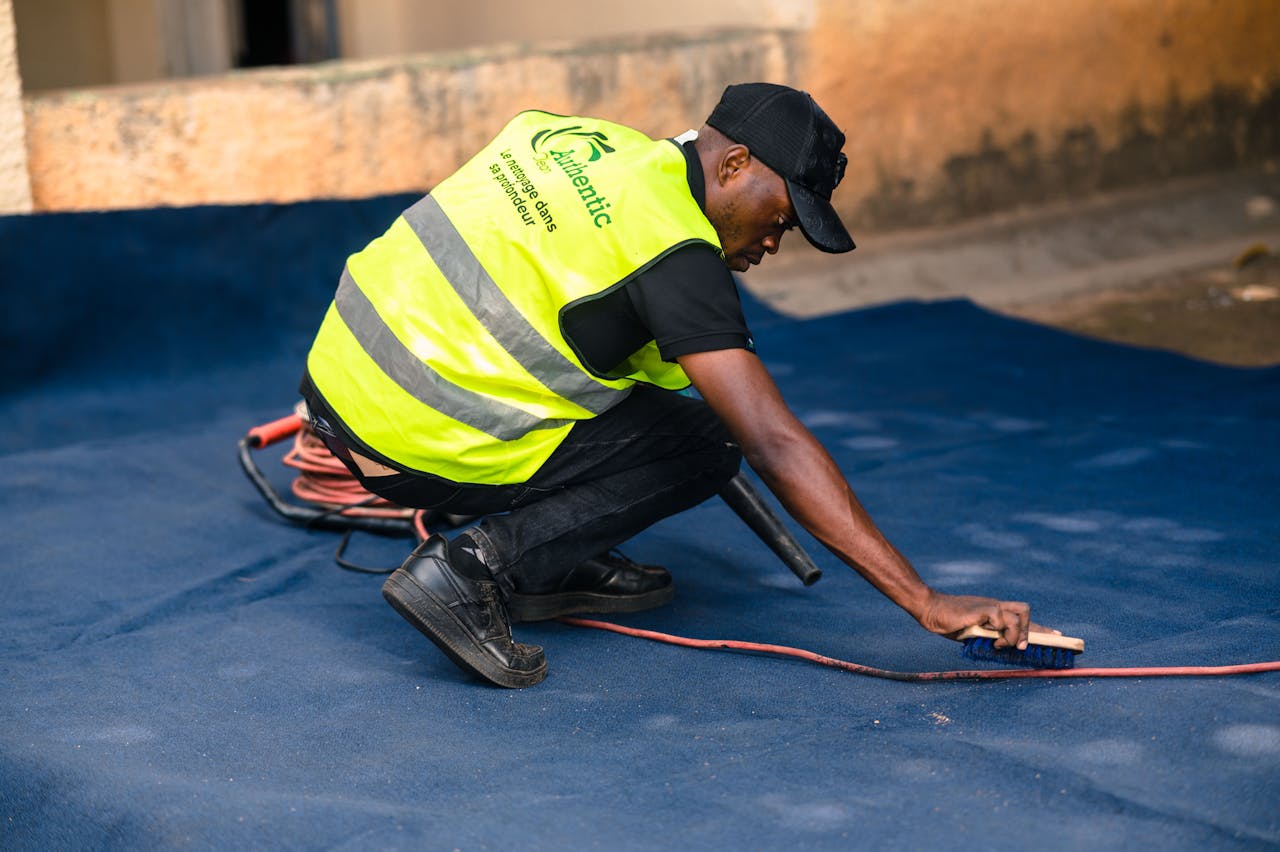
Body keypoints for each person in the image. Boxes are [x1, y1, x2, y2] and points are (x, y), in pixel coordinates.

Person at [300, 82, 1048, 688]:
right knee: (710, 439)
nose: (771, 244)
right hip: (411, 441)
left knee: (652, 399)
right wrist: (924, 600)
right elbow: (774, 443)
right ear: (733, 166)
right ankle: (472, 570)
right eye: (781, 219)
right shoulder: (674, 256)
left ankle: (551, 558)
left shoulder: (579, 139)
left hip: (338, 378)